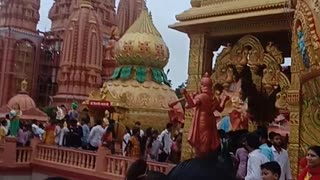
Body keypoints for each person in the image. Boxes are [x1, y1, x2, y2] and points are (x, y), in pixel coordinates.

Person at [181, 73, 229, 157]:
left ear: (202, 85)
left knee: (202, 141)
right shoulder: (213, 97)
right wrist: (224, 100)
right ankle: (206, 157)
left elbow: (191, 104)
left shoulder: (201, 96)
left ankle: (202, 158)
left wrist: (186, 94)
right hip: (211, 120)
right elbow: (220, 109)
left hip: (202, 120)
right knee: (208, 139)